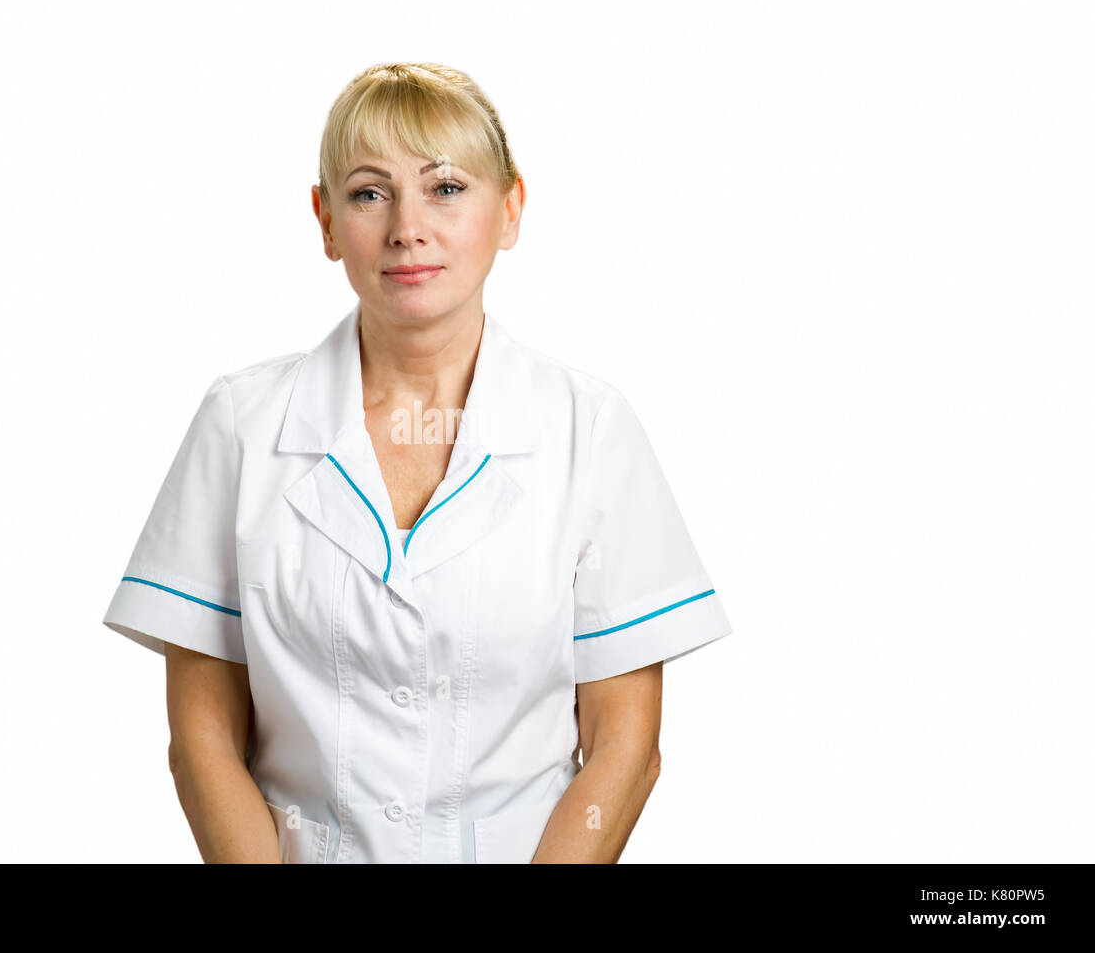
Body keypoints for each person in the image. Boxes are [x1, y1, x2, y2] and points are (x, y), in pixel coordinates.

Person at [102, 62, 733, 863]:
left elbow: (624, 749)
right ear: (325, 221)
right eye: (369, 194)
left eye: (446, 189)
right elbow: (203, 739)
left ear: (509, 209)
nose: (408, 227)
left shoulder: (590, 430)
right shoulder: (242, 425)